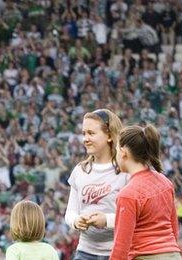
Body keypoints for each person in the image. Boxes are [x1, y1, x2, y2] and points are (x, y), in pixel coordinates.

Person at [64, 109, 129, 260]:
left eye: (91, 133)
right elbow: (70, 213)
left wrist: (106, 220)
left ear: (109, 136)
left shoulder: (125, 171)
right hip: (85, 252)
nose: (85, 139)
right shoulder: (80, 171)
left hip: (117, 251)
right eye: (84, 133)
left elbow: (134, 217)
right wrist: (76, 221)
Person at [111, 125, 181, 259]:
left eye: (116, 150)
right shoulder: (165, 182)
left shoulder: (128, 194)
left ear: (123, 151)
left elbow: (121, 247)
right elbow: (174, 229)